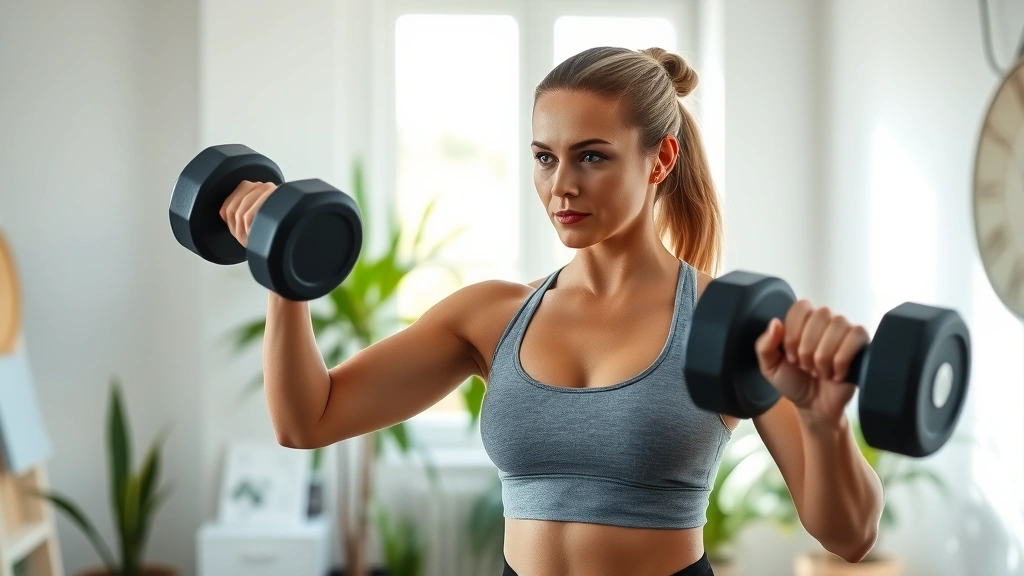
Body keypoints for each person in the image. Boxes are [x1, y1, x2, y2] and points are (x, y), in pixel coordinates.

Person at [219, 46, 884, 576]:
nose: (561, 184)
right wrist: (283, 271)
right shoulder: (491, 315)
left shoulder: (728, 321)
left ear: (661, 160)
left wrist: (824, 423)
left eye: (591, 156)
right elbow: (309, 418)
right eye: (545, 158)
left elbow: (849, 537)